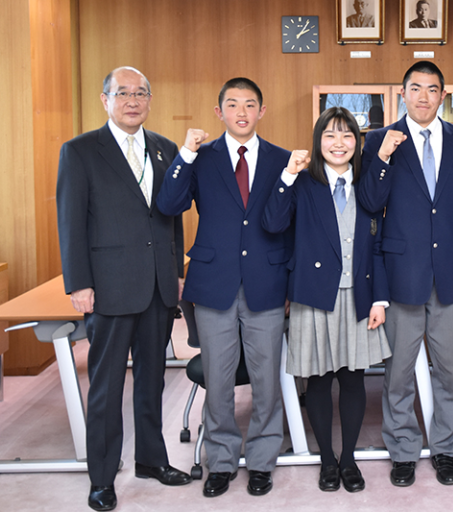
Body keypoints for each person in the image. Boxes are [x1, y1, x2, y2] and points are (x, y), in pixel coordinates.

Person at [56, 66, 190, 512]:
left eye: (141, 93)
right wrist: (79, 283)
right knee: (107, 387)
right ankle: (102, 477)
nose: (132, 100)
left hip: (156, 286)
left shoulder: (164, 149)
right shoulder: (80, 151)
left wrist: (174, 268)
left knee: (152, 383)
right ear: (105, 99)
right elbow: (71, 222)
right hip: (109, 287)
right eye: (123, 93)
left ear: (150, 100)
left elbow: (170, 217)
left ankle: (152, 460)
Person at [156, 78, 291, 498]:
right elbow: (168, 203)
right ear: (220, 113)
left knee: (267, 377)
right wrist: (184, 154)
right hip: (214, 283)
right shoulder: (201, 157)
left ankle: (264, 459)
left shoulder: (282, 160)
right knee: (218, 378)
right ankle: (221, 460)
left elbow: (285, 222)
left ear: (262, 111)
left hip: (266, 283)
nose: (242, 112)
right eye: (232, 105)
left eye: (250, 104)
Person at [358, 61, 453, 488]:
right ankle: (403, 451)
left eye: (432, 89)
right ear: (402, 94)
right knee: (399, 373)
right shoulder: (378, 139)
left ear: (442, 96)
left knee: (450, 371)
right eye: (416, 88)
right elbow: (370, 203)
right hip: (400, 272)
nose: (424, 96)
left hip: (450, 275)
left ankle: (446, 449)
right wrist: (385, 157)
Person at [262, 107, 391, 494]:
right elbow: (272, 223)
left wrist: (380, 299)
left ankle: (348, 458)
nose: (339, 143)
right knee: (317, 381)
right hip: (313, 296)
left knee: (353, 380)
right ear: (318, 142)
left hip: (360, 295)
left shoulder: (367, 184)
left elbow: (380, 246)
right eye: (330, 135)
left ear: (358, 142)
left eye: (347, 135)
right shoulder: (303, 182)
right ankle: (326, 460)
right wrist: (287, 174)